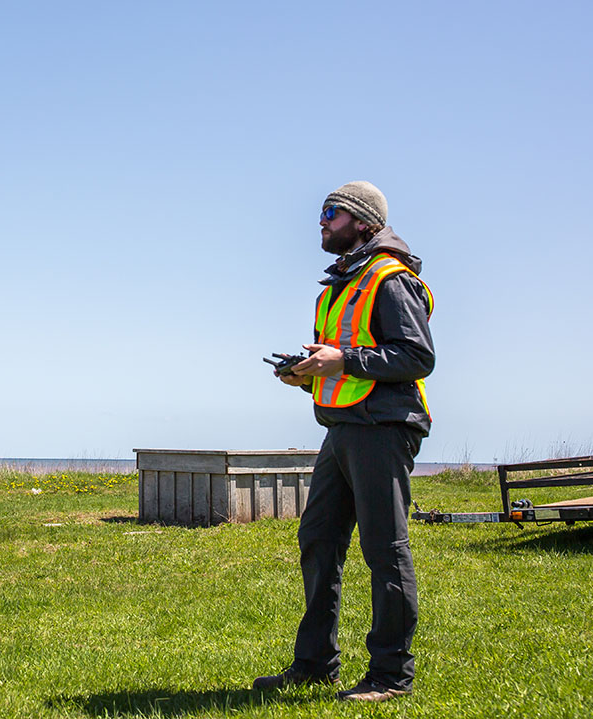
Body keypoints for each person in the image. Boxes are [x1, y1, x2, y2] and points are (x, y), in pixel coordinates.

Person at [254, 181, 435, 703]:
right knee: (318, 540)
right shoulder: (336, 286)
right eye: (322, 213)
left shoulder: (390, 280)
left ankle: (391, 674)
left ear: (363, 221)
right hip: (341, 429)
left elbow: (416, 357)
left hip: (382, 428)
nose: (322, 222)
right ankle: (314, 665)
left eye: (331, 213)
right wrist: (305, 372)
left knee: (385, 549)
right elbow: (342, 360)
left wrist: (342, 360)